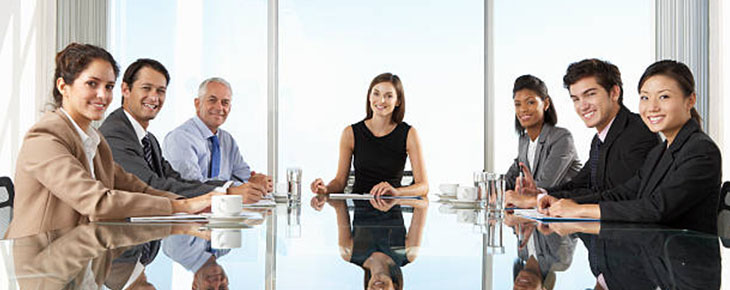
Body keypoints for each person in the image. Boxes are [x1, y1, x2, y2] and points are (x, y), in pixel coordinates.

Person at [4, 43, 212, 239]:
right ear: (63, 86)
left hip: (80, 258)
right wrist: (182, 207)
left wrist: (192, 204)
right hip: (39, 266)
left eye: (109, 86)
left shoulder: (94, 141)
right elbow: (98, 202)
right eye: (92, 84)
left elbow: (137, 188)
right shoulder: (44, 139)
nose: (103, 95)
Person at [538, 60, 722, 234]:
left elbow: (657, 208)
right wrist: (565, 203)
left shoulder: (701, 150)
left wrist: (580, 210)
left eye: (664, 97)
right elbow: (623, 194)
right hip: (658, 258)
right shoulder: (660, 151)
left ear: (690, 100)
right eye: (645, 98)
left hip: (687, 261)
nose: (652, 107)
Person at [99, 59, 265, 202]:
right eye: (146, 88)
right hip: (124, 235)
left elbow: (177, 180)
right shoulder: (116, 133)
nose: (154, 97)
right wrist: (226, 193)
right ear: (125, 89)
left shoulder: (149, 140)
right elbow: (150, 186)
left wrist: (229, 188)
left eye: (160, 91)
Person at [507, 59, 659, 208]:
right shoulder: (600, 139)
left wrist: (540, 200)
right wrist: (539, 193)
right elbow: (579, 185)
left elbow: (617, 196)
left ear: (614, 93)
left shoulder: (637, 132)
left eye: (590, 94)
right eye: (576, 99)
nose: (582, 106)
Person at [310, 73, 428, 198]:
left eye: (389, 96)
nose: (381, 101)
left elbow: (423, 186)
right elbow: (340, 183)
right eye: (376, 94)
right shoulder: (350, 133)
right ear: (369, 97)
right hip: (360, 210)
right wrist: (325, 189)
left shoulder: (409, 134)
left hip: (392, 210)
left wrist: (397, 192)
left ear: (398, 101)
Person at [162, 77, 272, 192]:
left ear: (230, 108)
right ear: (197, 103)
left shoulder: (227, 140)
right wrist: (236, 187)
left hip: (226, 208)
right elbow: (192, 185)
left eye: (225, 102)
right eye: (212, 100)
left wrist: (258, 182)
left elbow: (244, 177)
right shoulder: (180, 138)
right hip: (190, 208)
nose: (219, 107)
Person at [503, 75, 581, 191]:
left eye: (530, 102)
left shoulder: (561, 138)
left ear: (546, 104)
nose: (523, 109)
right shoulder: (524, 141)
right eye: (518, 104)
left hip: (567, 205)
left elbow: (545, 185)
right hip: (538, 207)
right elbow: (509, 180)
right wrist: (487, 186)